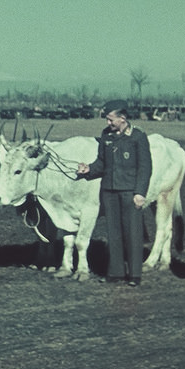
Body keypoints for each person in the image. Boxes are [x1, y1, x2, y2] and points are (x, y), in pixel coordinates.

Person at [76, 99, 152, 286]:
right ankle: (116, 272)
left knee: (132, 233)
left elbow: (145, 168)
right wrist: (88, 170)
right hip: (109, 192)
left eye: (111, 120)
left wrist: (140, 192)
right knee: (113, 233)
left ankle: (134, 274)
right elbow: (101, 163)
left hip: (129, 192)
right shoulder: (106, 136)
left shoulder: (138, 137)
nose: (108, 123)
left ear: (123, 118)